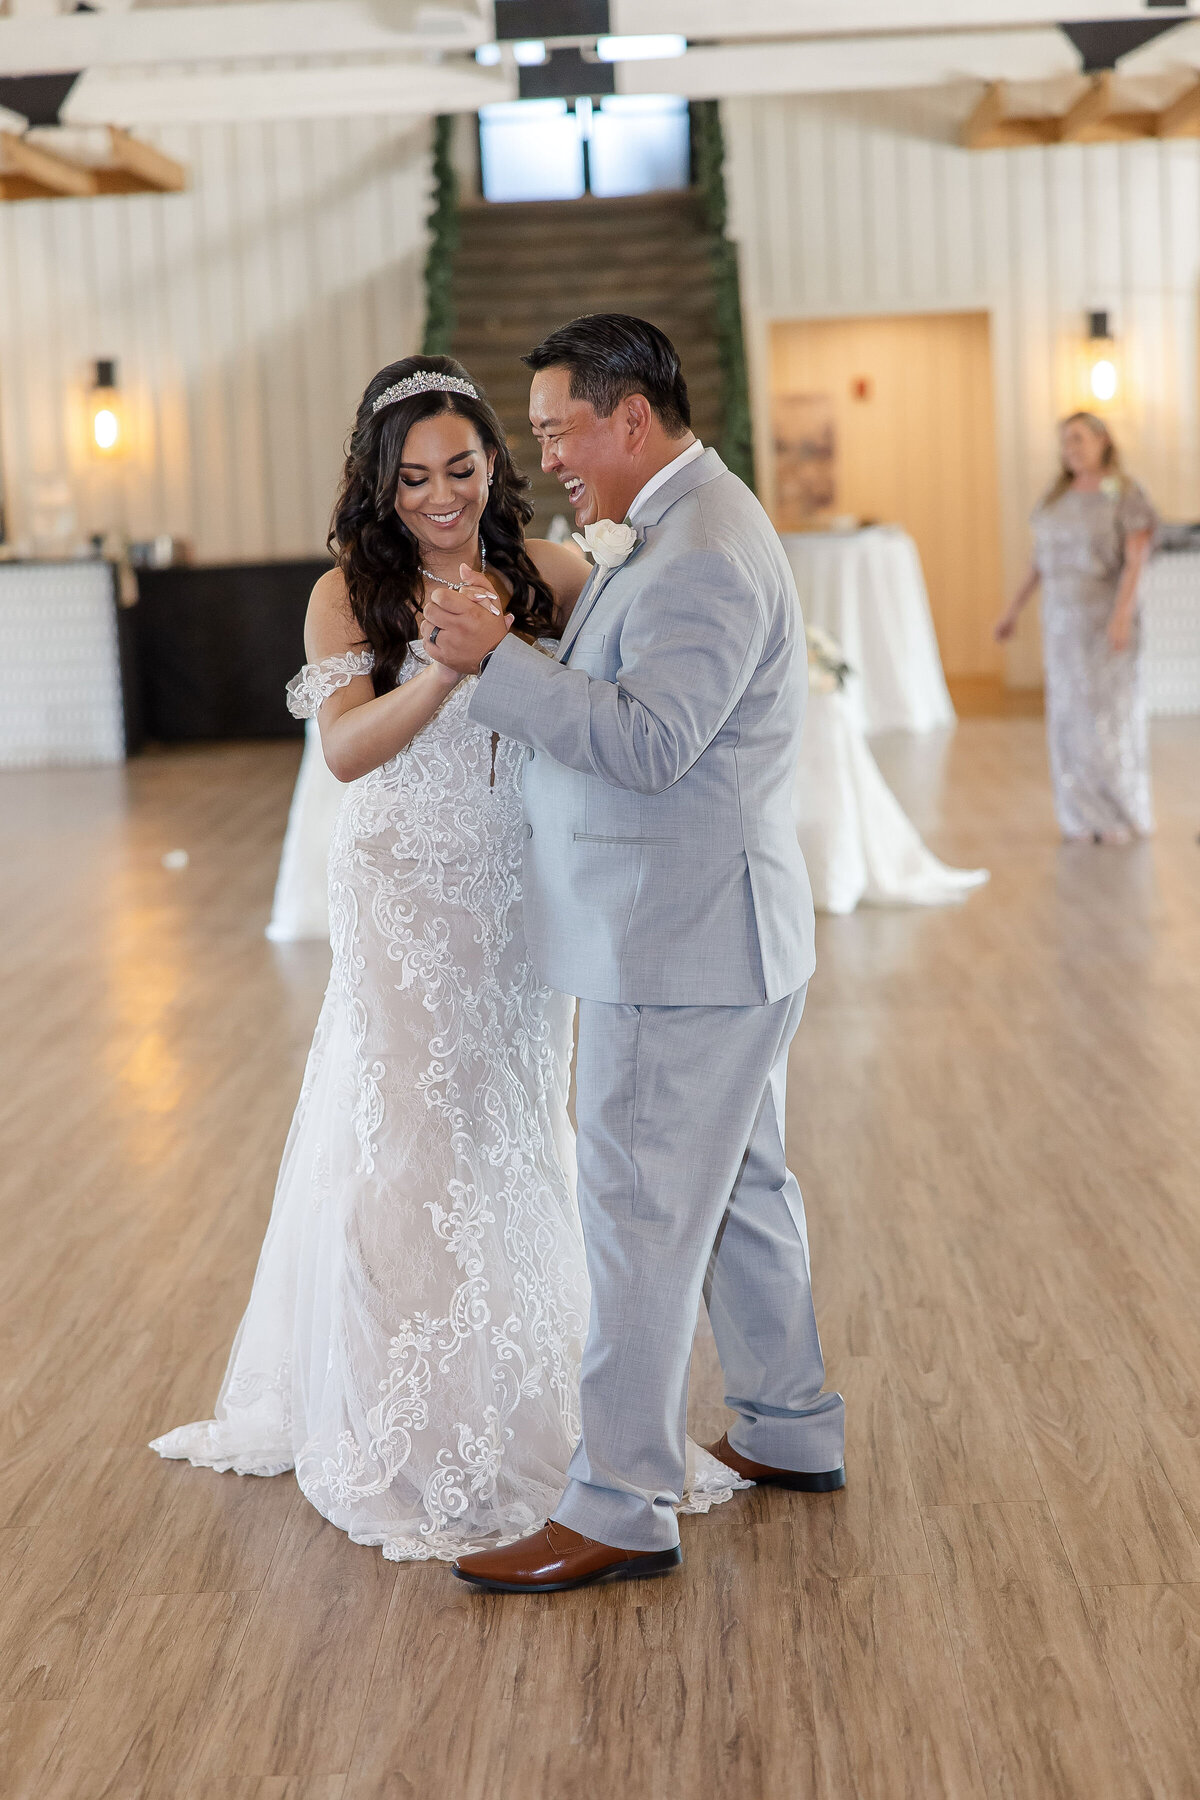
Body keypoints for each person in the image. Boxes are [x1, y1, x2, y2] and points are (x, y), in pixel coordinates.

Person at [151, 355, 743, 1560]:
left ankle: (538, 1401)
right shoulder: (344, 593)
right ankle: (412, 1419)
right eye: (415, 476)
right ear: (381, 482)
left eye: (462, 469)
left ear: (493, 467)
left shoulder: (552, 572)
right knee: (413, 1143)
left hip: (525, 898)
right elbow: (348, 752)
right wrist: (444, 670)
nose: (441, 496)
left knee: (515, 1134)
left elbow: (629, 699)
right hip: (405, 901)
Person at [422, 314, 846, 1595]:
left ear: (630, 419)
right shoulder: (684, 524)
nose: (544, 452)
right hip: (720, 931)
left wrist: (499, 666)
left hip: (676, 948)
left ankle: (617, 1502)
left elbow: (655, 741)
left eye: (556, 428)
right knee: (740, 1196)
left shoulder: (703, 549)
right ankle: (786, 1423)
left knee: (640, 1216)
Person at [996, 412, 1157, 844]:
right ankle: (1079, 815)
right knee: (1069, 720)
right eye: (1065, 442)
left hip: (1105, 618)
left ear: (1103, 441)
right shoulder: (1056, 498)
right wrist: (1012, 610)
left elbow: (1137, 557)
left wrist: (1122, 614)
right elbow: (1040, 562)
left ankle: (1120, 812)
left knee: (1109, 718)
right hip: (1061, 623)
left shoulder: (1124, 493)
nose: (1071, 449)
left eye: (1078, 440)